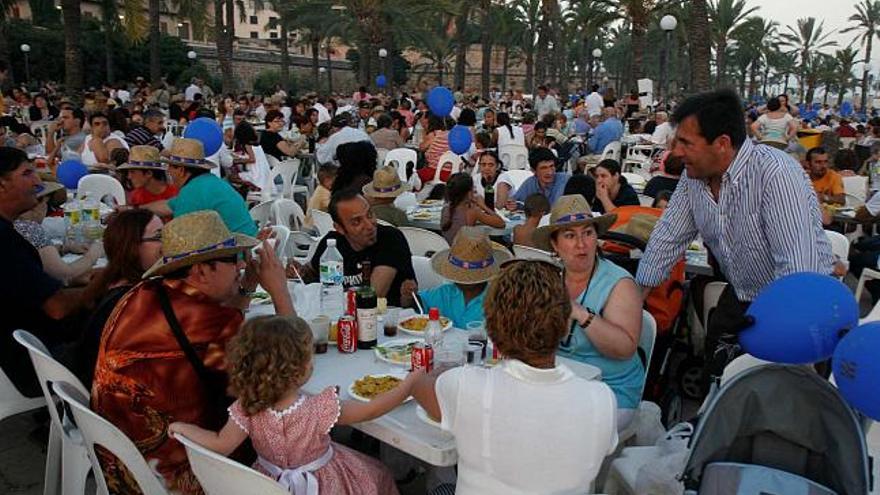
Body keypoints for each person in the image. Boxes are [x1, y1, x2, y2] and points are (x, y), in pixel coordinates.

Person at [635, 89, 833, 381]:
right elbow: (667, 238)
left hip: (800, 310)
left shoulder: (775, 174)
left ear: (722, 144)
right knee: (717, 387)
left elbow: (797, 271)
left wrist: (782, 345)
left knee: (774, 404)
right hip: (742, 294)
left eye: (686, 143)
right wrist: (635, 300)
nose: (675, 152)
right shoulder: (694, 179)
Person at [91, 210, 293, 494]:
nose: (240, 268)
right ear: (200, 271)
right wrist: (280, 291)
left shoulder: (140, 294)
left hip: (121, 464)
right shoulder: (212, 322)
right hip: (178, 472)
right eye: (233, 259)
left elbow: (208, 342)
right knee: (295, 439)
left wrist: (246, 288)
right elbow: (284, 380)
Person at [411, 259, 618, 494]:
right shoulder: (602, 399)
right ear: (565, 327)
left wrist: (445, 369)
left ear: (492, 331)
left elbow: (418, 382)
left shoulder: (464, 385)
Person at [169, 315, 410, 494]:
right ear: (296, 370)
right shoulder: (318, 408)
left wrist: (183, 429)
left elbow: (220, 444)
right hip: (325, 484)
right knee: (377, 474)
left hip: (268, 486)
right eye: (309, 356)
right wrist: (410, 383)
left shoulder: (247, 407)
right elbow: (372, 409)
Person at [533, 194, 644, 428]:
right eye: (570, 235)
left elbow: (624, 349)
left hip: (609, 389)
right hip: (561, 382)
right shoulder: (551, 278)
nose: (581, 244)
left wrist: (580, 313)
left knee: (558, 430)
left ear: (596, 237)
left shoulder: (619, 283)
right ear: (555, 244)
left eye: (587, 233)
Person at [0, 147, 95, 397]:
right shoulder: (4, 241)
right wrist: (107, 284)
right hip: (34, 364)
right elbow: (57, 307)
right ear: (2, 185)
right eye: (27, 173)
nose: (37, 182)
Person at [75, 209, 163, 387]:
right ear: (132, 247)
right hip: (109, 394)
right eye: (158, 237)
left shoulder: (110, 283)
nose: (167, 244)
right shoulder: (135, 301)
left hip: (89, 385)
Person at [287, 189, 416, 306]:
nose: (369, 225)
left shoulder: (391, 238)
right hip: (339, 316)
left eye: (370, 215)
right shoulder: (332, 244)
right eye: (356, 222)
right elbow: (312, 272)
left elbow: (373, 295)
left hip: (384, 321)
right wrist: (299, 272)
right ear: (339, 228)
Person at [141, 138, 258, 236]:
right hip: (248, 243)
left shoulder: (191, 192)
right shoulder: (209, 181)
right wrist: (134, 209)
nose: (168, 170)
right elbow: (168, 206)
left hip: (236, 255)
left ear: (181, 170)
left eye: (170, 166)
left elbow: (180, 238)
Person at [413, 227, 510, 329]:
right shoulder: (444, 292)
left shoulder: (498, 300)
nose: (465, 282)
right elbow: (419, 302)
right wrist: (409, 297)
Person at [14, 181, 103, 286]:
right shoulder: (31, 229)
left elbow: (36, 256)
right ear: (36, 205)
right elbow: (64, 275)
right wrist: (93, 255)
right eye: (46, 203)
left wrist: (64, 248)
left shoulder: (11, 224)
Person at [441, 173, 506, 244]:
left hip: (448, 251)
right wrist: (483, 206)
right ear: (469, 193)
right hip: (466, 252)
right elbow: (501, 223)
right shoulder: (473, 212)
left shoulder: (445, 209)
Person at [119, 145, 178, 214]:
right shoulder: (136, 196)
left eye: (132, 172)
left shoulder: (176, 193)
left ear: (149, 173)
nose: (129, 176)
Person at [304, 164, 337, 229]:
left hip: (310, 223)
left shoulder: (320, 188)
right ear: (328, 181)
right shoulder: (323, 192)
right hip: (313, 227)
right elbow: (331, 206)